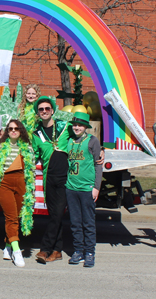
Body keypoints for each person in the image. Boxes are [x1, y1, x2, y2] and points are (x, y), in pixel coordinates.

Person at [32, 96, 103, 264]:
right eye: (41, 109)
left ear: (52, 110)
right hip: (49, 178)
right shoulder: (36, 134)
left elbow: (85, 136)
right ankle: (57, 250)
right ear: (37, 112)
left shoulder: (64, 127)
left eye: (47, 109)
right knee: (54, 214)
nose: (44, 111)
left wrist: (102, 150)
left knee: (57, 215)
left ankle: (45, 247)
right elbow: (33, 155)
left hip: (67, 179)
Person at [0, 120, 36, 268]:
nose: (13, 131)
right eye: (10, 129)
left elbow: (32, 170)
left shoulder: (27, 148)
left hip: (22, 182)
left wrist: (31, 189)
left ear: (21, 130)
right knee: (11, 217)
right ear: (7, 131)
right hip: (4, 183)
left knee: (18, 216)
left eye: (16, 128)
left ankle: (8, 246)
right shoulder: (0, 147)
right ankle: (17, 251)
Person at [66, 112, 102, 268]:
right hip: (71, 187)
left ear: (86, 127)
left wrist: (96, 187)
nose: (77, 127)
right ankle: (78, 250)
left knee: (88, 222)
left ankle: (89, 252)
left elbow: (98, 164)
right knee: (75, 222)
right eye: (75, 125)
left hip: (87, 188)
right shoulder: (69, 141)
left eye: (80, 125)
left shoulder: (92, 141)